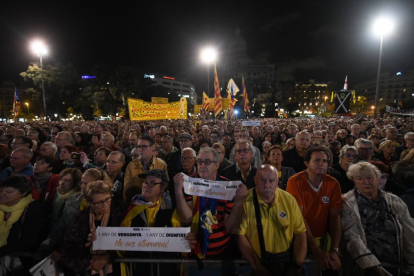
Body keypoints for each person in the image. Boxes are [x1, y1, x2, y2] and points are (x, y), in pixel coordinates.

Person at [173, 147, 248, 274]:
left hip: (221, 257)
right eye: (200, 162)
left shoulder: (227, 187)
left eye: (207, 162)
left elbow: (232, 229)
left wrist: (238, 203)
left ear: (217, 164)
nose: (202, 165)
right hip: (192, 256)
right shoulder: (188, 183)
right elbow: (187, 219)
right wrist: (177, 191)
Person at [115, 169, 196, 275]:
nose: (147, 186)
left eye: (152, 183)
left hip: (166, 270)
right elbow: (120, 243)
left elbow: (182, 243)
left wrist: (188, 241)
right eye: (145, 182)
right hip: (139, 270)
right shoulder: (130, 209)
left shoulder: (171, 210)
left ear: (162, 188)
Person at [342, 162, 414, 276]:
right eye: (359, 178)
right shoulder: (347, 203)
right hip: (366, 266)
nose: (365, 182)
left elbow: (409, 232)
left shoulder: (394, 200)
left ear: (378, 179)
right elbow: (352, 236)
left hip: (398, 263)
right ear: (354, 181)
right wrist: (371, 265)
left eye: (369, 177)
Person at [236, 165, 307, 276]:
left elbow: (300, 232)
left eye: (271, 181)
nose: (267, 185)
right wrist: (258, 268)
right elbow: (240, 235)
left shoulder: (289, 200)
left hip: (286, 263)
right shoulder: (245, 200)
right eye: (263, 180)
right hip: (258, 265)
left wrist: (296, 266)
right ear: (255, 180)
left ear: (278, 182)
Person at [286, 146, 342, 274]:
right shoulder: (295, 181)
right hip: (300, 239)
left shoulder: (333, 183)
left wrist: (335, 249)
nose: (321, 163)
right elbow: (299, 218)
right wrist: (316, 250)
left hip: (323, 238)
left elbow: (335, 217)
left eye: (324, 161)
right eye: (317, 160)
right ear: (306, 163)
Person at [60, 180, 128, 276]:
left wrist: (108, 257)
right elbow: (68, 251)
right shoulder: (80, 219)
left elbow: (131, 241)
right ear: (88, 202)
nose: (105, 204)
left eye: (108, 199)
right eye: (99, 202)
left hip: (117, 270)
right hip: (88, 271)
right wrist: (90, 262)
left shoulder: (122, 211)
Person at [0, 176, 45, 275]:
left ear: (23, 193)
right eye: (1, 190)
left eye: (9, 192)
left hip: (16, 261)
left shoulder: (33, 208)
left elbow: (28, 241)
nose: (3, 194)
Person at [124, 136, 167, 202]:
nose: (140, 150)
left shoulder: (161, 164)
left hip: (155, 203)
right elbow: (127, 188)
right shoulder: (131, 165)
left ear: (152, 147)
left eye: (144, 147)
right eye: (139, 147)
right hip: (136, 202)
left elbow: (164, 186)